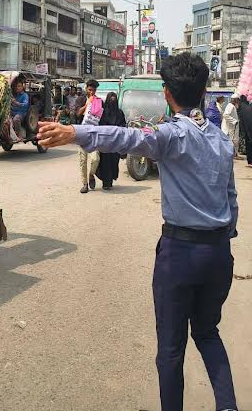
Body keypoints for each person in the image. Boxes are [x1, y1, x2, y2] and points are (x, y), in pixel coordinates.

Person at [37, 53, 239, 411]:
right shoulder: (221, 142)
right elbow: (231, 199)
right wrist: (222, 239)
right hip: (219, 253)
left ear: (166, 93)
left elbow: (126, 138)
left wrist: (74, 132)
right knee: (208, 333)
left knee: (171, 352)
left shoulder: (171, 135)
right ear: (204, 90)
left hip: (181, 253)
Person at [95, 92, 126, 190]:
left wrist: (117, 130)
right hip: (105, 141)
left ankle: (110, 180)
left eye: (114, 100)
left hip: (115, 141)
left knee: (113, 162)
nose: (112, 102)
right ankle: (106, 182)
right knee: (104, 162)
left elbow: (123, 124)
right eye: (111, 100)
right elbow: (99, 125)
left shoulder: (120, 113)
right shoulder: (103, 112)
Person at [77, 79, 103, 193]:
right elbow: (77, 113)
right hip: (81, 133)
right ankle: (84, 183)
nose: (92, 92)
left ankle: (91, 175)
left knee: (95, 158)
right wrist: (87, 104)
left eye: (94, 90)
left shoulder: (99, 100)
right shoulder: (81, 99)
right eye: (90, 90)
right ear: (86, 89)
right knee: (82, 160)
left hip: (93, 133)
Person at [237, 94, 250, 158]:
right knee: (245, 135)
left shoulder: (240, 106)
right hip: (246, 123)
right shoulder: (246, 105)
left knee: (241, 135)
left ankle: (241, 149)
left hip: (240, 123)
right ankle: (244, 149)